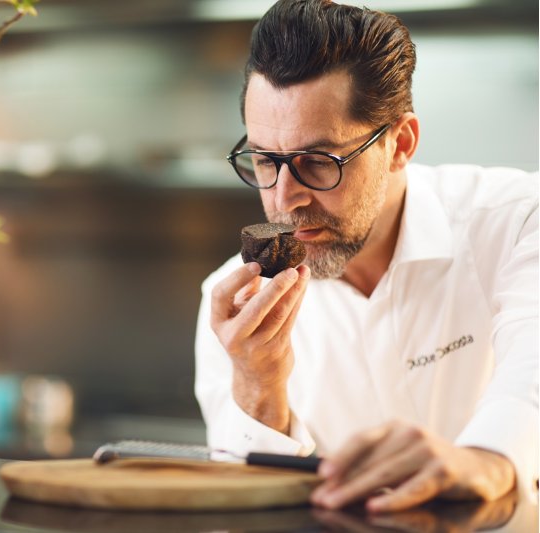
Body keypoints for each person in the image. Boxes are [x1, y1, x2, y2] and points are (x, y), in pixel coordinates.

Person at [194, 0, 538, 513]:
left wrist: (485, 459)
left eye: (319, 162)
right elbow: (245, 508)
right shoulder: (234, 301)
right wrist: (258, 386)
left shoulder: (515, 220)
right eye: (266, 160)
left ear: (400, 143)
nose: (285, 200)